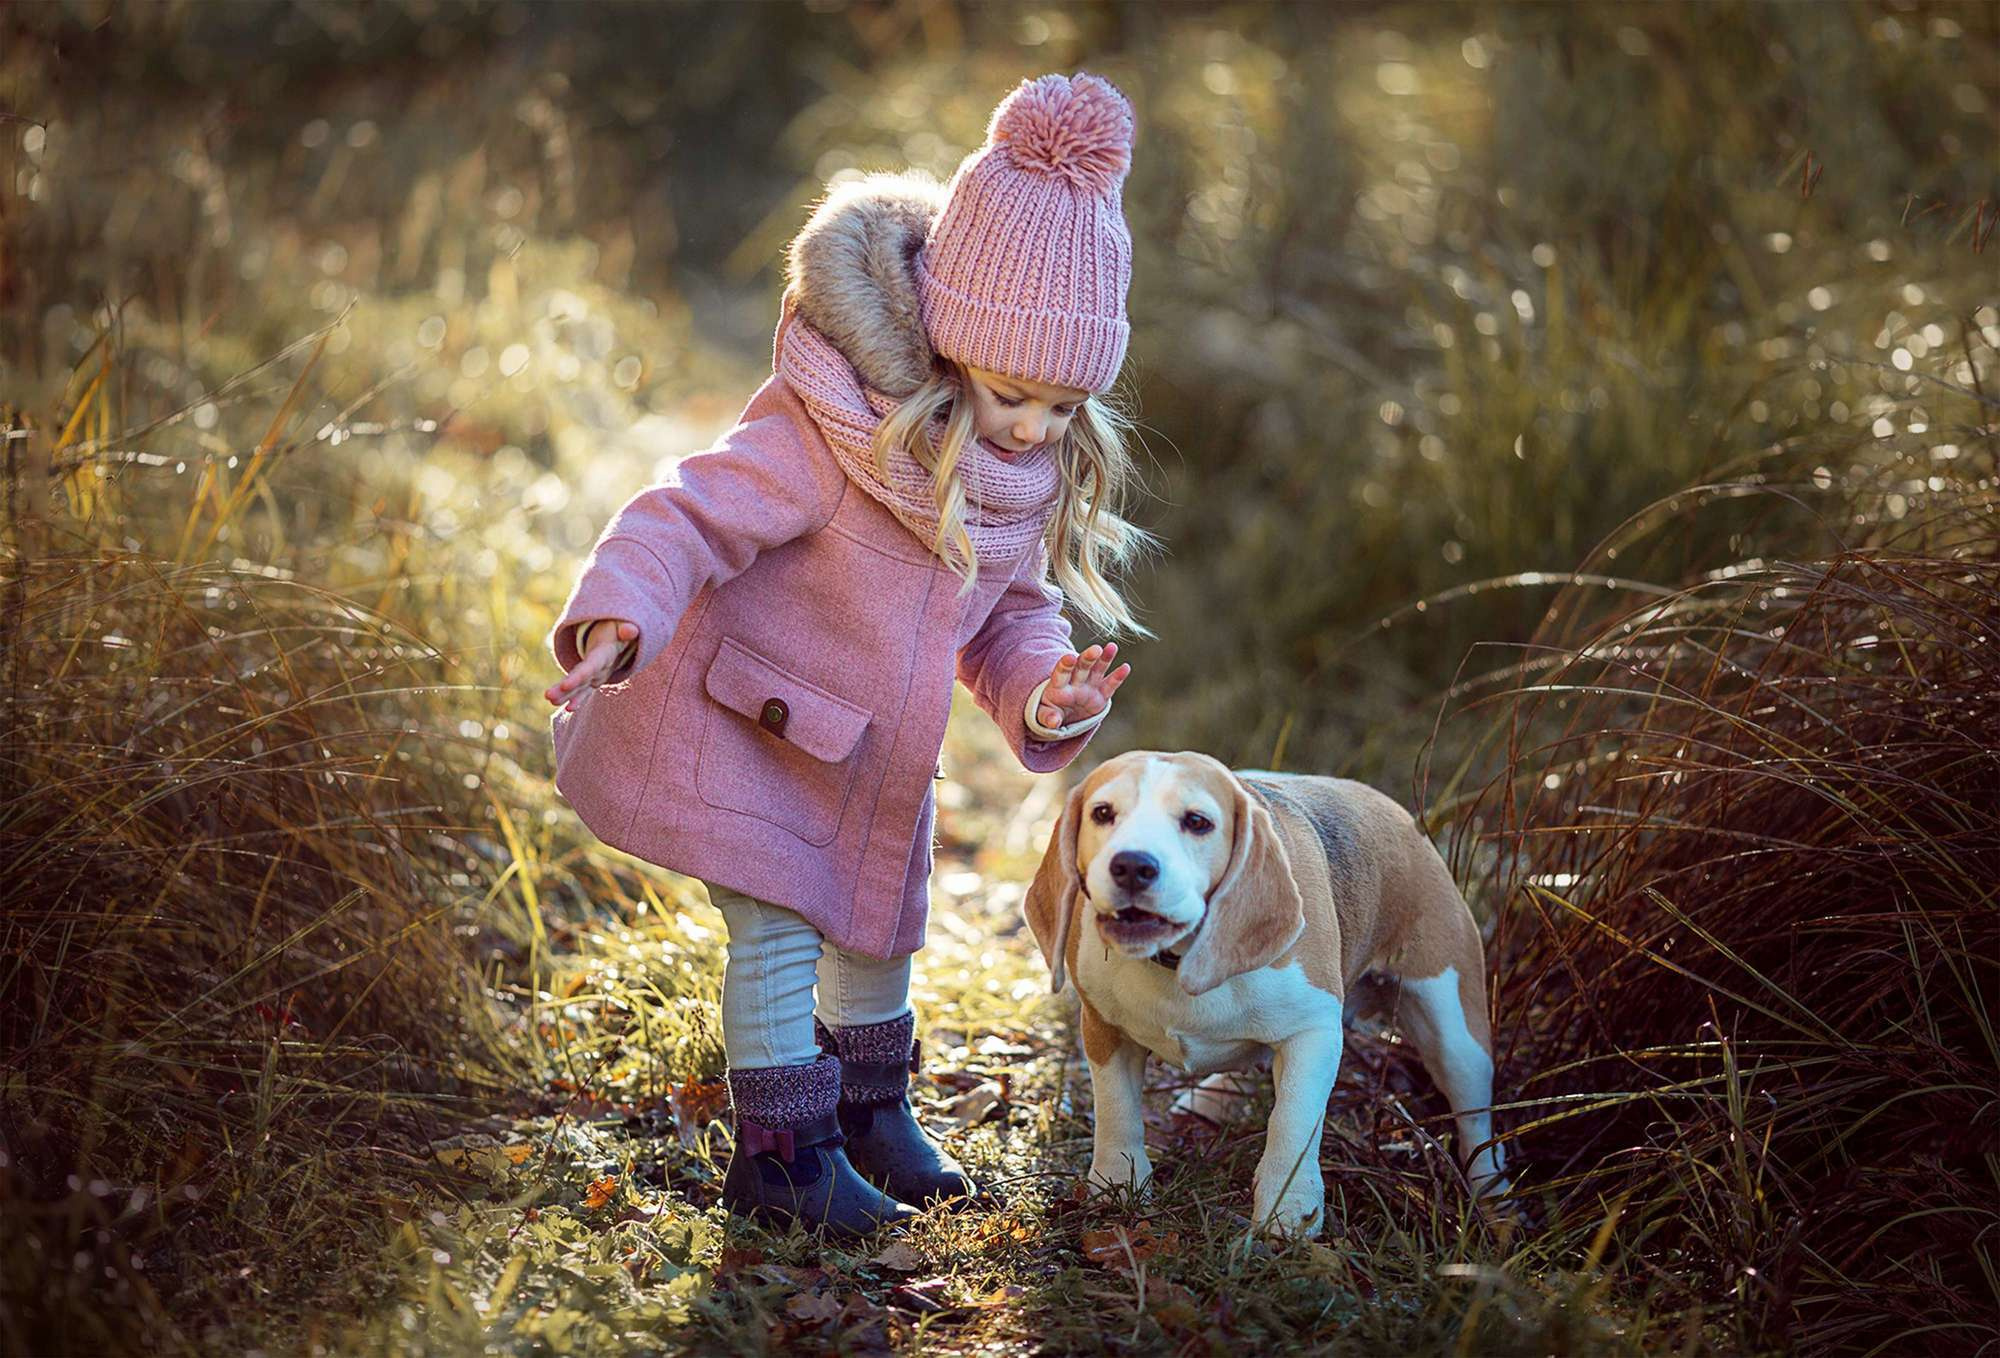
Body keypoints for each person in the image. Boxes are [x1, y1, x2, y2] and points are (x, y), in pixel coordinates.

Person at [542, 72, 1151, 1238]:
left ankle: (869, 1108)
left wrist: (1045, 687)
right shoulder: (827, 424)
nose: (1033, 427)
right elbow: (688, 511)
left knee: (881, 922)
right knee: (776, 930)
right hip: (750, 726)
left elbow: (1009, 614)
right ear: (954, 337)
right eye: (1014, 392)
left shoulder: (1021, 473)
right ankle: (779, 1154)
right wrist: (620, 611)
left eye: (1065, 406)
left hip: (870, 751)